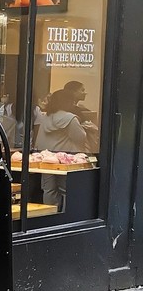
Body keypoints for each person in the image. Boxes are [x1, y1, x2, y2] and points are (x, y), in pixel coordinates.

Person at [33, 82, 94, 210]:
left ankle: (48, 214)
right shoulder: (70, 118)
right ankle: (64, 216)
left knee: (48, 189)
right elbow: (80, 138)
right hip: (65, 159)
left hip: (46, 158)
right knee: (65, 189)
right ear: (68, 102)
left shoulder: (46, 117)